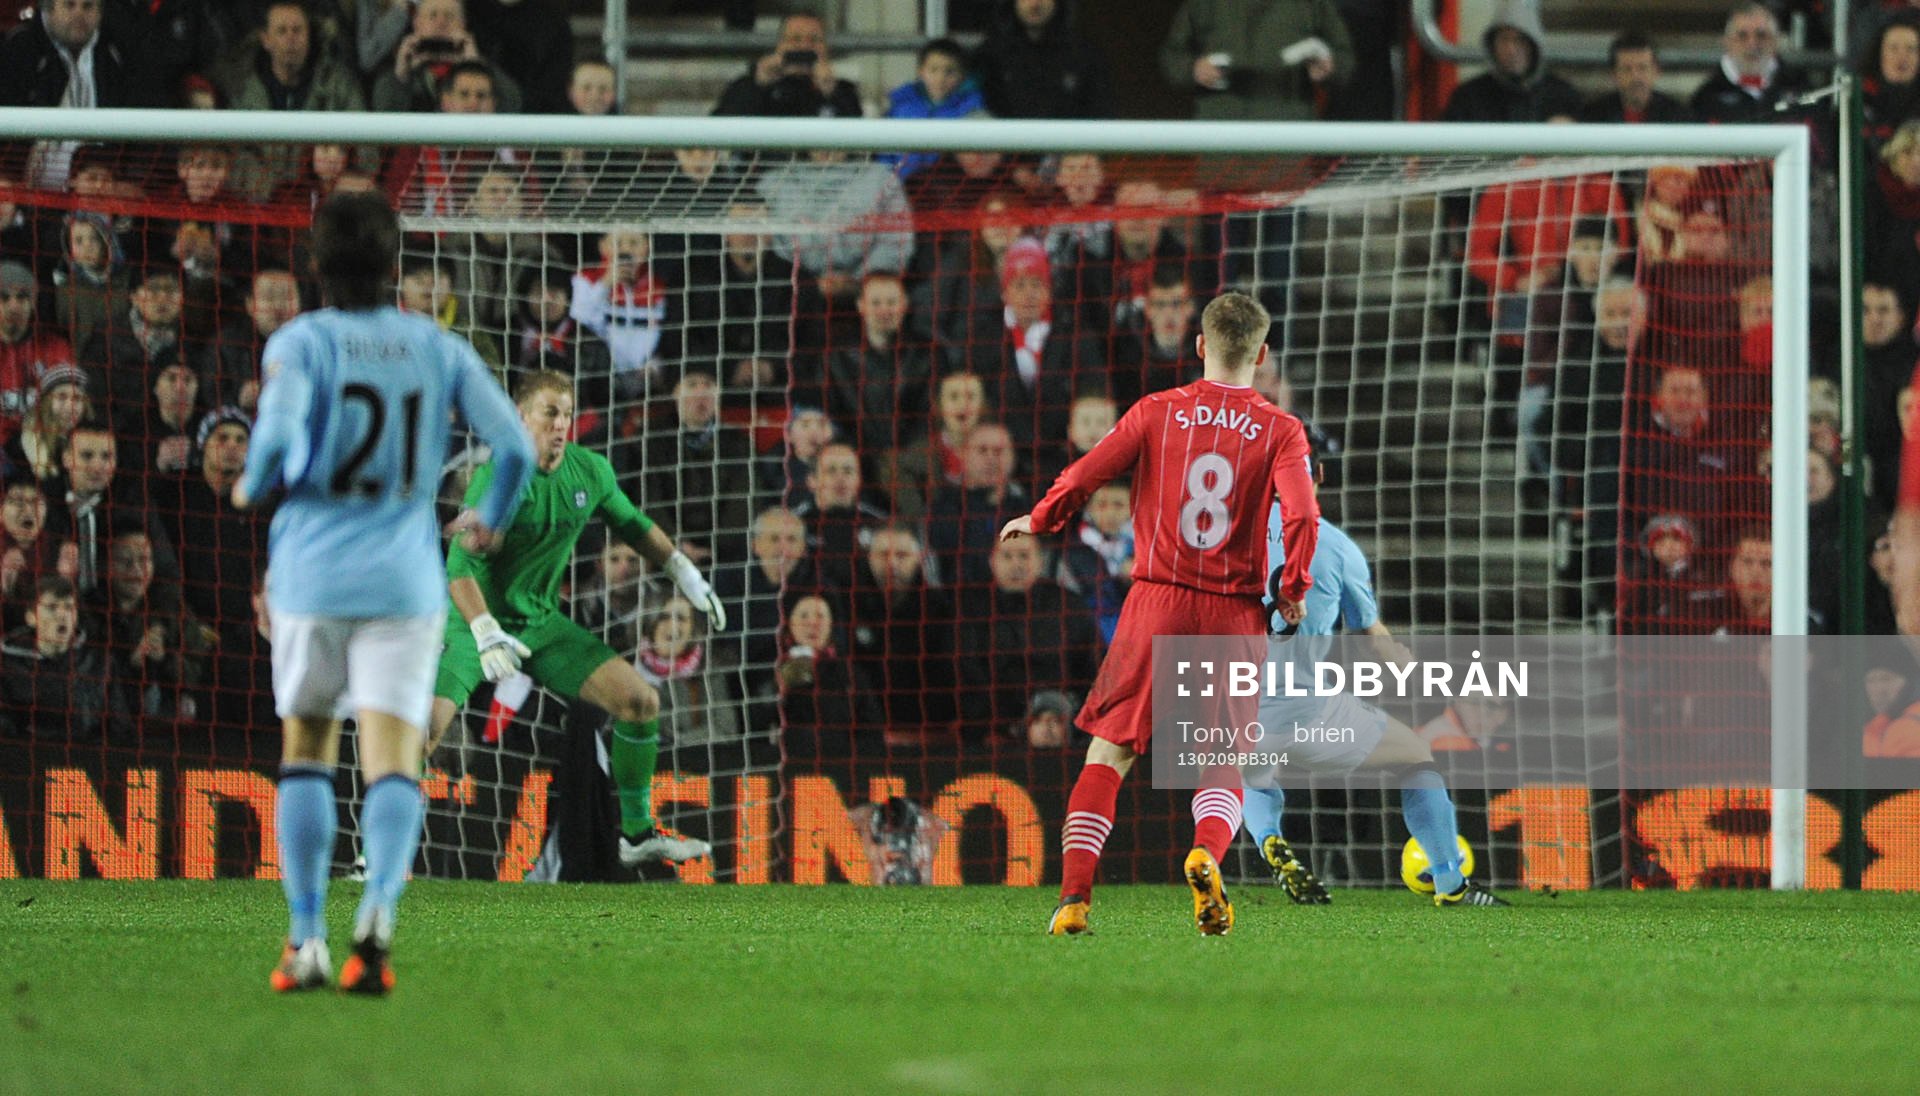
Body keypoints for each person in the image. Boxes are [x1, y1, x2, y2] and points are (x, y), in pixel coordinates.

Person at [232, 190, 535, 997]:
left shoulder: (303, 342)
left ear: (317, 266)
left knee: (307, 751)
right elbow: (514, 446)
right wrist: (488, 520)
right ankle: (379, 918)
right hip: (405, 582)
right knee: (394, 759)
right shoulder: (436, 347)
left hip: (314, 576)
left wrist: (254, 482)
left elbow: (281, 431)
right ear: (397, 265)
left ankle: (306, 941)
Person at [1000, 291, 1319, 936]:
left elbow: (1088, 473)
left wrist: (1041, 517)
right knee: (1220, 759)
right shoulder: (1282, 429)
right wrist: (1292, 586)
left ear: (1199, 346)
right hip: (1232, 613)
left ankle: (1073, 900)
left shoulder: (1157, 411)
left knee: (1109, 752)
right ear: (1260, 355)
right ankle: (1205, 854)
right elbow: (1303, 514)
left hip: (1155, 602)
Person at [424, 369, 724, 874]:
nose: (561, 424)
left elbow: (633, 523)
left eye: (566, 413)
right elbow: (460, 568)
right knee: (422, 732)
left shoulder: (590, 471)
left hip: (541, 624)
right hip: (472, 623)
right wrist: (482, 629)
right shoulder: (496, 478)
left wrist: (683, 571)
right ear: (520, 416)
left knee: (640, 701)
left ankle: (636, 833)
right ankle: (372, 857)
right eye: (549, 412)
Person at [1242, 437, 1509, 906]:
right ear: (1319, 476)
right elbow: (1372, 639)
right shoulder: (1338, 548)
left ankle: (1268, 839)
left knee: (1252, 775)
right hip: (1305, 709)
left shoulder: (1228, 536)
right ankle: (1451, 883)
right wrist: (1408, 664)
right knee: (1415, 754)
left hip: (1233, 704)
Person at [1160, 0, 1353, 120]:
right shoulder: (1204, 3)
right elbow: (1172, 55)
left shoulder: (1311, 4)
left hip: (1288, 142)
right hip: (1221, 139)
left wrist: (1329, 66)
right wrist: (1193, 69)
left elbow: (1344, 58)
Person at [1437, 0, 1580, 124]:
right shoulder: (1469, 98)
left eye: (1520, 40)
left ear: (1534, 45)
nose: (1511, 49)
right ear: (1492, 45)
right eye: (1504, 39)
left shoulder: (1562, 97)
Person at [973, 0, 1112, 120]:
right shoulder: (990, 54)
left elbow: (1101, 111)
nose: (1034, 4)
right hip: (1006, 146)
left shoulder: (1084, 55)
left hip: (1068, 146)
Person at [712, 12, 861, 119]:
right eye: (795, 39)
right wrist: (758, 84)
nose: (804, 46)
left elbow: (858, 138)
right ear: (779, 46)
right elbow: (722, 127)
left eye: (814, 40)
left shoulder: (843, 91)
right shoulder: (746, 85)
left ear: (826, 48)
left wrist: (831, 92)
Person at [1690, 2, 1813, 124]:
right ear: (1727, 42)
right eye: (1742, 36)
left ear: (1776, 41)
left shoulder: (1800, 88)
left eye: (1761, 35)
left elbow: (1818, 140)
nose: (1752, 44)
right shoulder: (1706, 98)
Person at [1577, 31, 1692, 124]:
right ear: (1614, 75)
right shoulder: (1593, 118)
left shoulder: (1679, 118)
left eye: (1642, 68)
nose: (1635, 77)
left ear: (1656, 71)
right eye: (1627, 69)